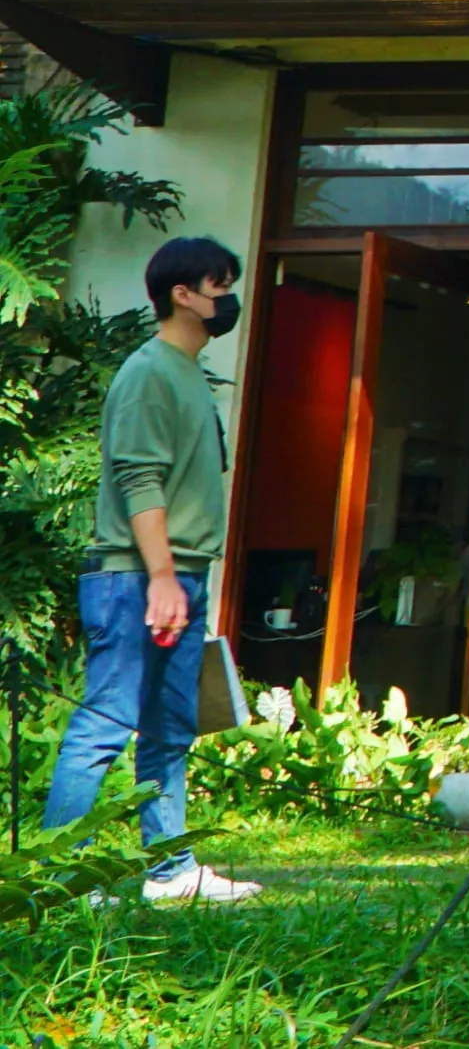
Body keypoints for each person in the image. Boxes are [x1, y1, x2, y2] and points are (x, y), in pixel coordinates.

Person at [48, 234, 259, 906]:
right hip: (134, 579)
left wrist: (181, 578)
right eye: (218, 286)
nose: (228, 299)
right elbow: (140, 481)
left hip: (179, 575)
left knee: (171, 730)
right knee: (105, 723)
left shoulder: (188, 372)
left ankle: (169, 869)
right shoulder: (146, 373)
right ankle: (58, 879)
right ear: (182, 294)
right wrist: (162, 578)